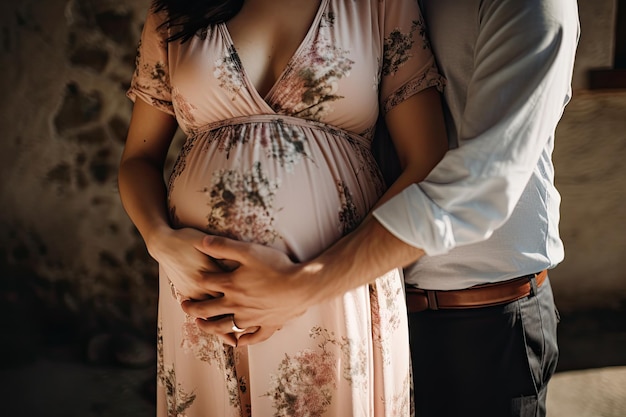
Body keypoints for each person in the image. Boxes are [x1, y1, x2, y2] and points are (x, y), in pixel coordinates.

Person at [183, 0, 581, 416]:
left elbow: (482, 184)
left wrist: (300, 287)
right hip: (365, 309)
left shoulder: (534, 6)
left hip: (481, 316)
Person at [118, 0, 448, 415]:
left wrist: (307, 282)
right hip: (204, 293)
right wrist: (160, 240)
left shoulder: (380, 4)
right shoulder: (176, 8)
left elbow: (427, 163)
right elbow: (137, 161)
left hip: (332, 283)